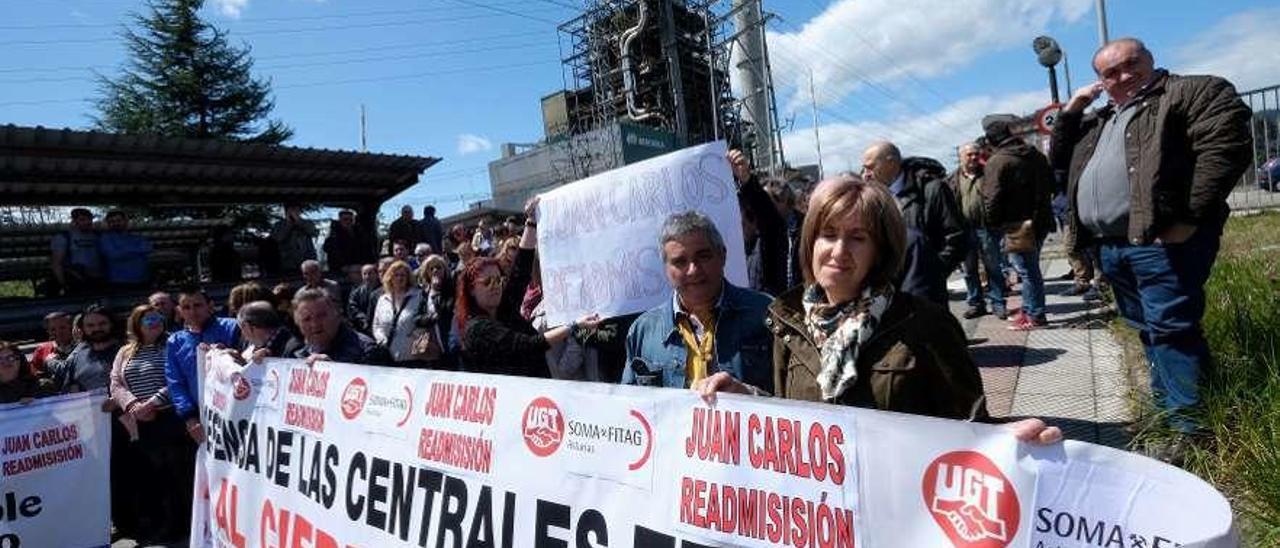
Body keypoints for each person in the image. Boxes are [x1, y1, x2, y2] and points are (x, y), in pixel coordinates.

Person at [695, 176, 1063, 444]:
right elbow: (791, 416)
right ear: (810, 243)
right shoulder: (786, 320)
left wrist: (1007, 439)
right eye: (828, 234)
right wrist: (746, 397)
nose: (839, 251)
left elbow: (970, 428)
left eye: (857, 238)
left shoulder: (926, 325)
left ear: (880, 250)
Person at [1051, 38, 1252, 454]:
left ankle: (1192, 431)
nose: (1123, 76)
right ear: (1099, 82)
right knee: (1148, 330)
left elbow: (1225, 148)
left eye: (1131, 65)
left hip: (1161, 241)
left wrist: (1188, 220)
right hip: (1112, 246)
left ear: (1150, 59)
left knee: (1171, 329)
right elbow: (1057, 160)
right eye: (1110, 73)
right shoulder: (1102, 118)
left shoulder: (1191, 91)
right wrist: (1073, 107)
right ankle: (1171, 413)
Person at [622, 211, 774, 392]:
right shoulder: (643, 331)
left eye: (703, 256)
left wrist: (747, 394)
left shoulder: (767, 316)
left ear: (722, 255)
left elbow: (798, 401)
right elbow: (629, 409)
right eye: (680, 262)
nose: (693, 270)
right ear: (665, 269)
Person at [456, 198, 599, 376]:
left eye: (499, 280)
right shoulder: (477, 329)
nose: (496, 286)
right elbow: (527, 345)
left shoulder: (503, 308)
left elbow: (520, 270)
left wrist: (531, 221)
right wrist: (574, 326)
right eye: (487, 282)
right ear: (471, 289)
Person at [109, 304, 193, 544]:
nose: (155, 322)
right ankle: (165, 523)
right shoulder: (125, 352)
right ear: (137, 325)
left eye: (157, 318)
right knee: (157, 476)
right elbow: (115, 383)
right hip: (143, 423)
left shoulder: (173, 343)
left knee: (179, 474)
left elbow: (180, 377)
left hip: (171, 418)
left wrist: (153, 403)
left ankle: (184, 524)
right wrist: (133, 405)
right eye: (148, 320)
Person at [861, 142, 967, 305]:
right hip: (887, 294)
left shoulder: (932, 190)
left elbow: (956, 238)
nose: (866, 174)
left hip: (926, 294)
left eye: (870, 167)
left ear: (891, 162)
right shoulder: (874, 197)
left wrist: (932, 272)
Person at [981, 115, 1056, 330]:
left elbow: (991, 197)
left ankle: (1035, 315)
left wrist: (993, 223)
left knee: (1027, 270)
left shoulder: (999, 160)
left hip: (1016, 225)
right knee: (1030, 268)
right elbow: (1052, 184)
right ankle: (1030, 309)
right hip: (1041, 220)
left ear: (991, 140)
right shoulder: (1035, 155)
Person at [166, 287, 240, 444]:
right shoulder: (175, 341)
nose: (192, 311)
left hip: (236, 411)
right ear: (179, 311)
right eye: (186, 307)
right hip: (199, 418)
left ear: (210, 306)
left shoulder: (233, 327)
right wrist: (189, 417)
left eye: (198, 305)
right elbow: (175, 382)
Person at [730, 149, 802, 296]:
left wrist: (747, 180)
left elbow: (767, 217)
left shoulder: (771, 239)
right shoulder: (738, 249)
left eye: (749, 214)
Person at [949, 142, 1008, 320]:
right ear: (960, 157)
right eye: (969, 155)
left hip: (987, 228)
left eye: (976, 154)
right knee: (969, 270)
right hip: (964, 230)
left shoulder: (988, 174)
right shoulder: (952, 179)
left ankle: (998, 303)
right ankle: (976, 304)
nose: (973, 157)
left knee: (993, 267)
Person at [290, 288, 383, 364]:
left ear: (337, 314)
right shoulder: (295, 354)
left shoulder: (365, 350)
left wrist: (334, 370)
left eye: (321, 316)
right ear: (298, 323)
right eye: (307, 319)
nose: (315, 324)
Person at [371, 261, 432, 367]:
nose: (400, 278)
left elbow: (427, 322)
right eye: (396, 275)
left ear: (408, 278)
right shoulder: (383, 299)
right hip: (387, 356)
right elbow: (376, 325)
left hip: (413, 358)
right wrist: (381, 339)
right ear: (390, 277)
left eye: (403, 275)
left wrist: (419, 347)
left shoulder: (419, 296)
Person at [54, 305, 121, 392]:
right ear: (83, 329)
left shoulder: (128, 354)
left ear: (112, 324)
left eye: (102, 324)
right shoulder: (77, 358)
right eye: (90, 326)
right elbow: (68, 392)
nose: (97, 329)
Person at [50, 207, 103, 295]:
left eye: (89, 219)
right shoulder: (63, 237)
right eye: (82, 219)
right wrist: (63, 284)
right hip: (76, 282)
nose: (87, 222)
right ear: (74, 221)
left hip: (98, 281)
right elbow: (56, 263)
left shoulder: (97, 236)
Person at [99, 210, 153, 288]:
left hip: (142, 280)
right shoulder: (104, 238)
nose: (116, 223)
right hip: (118, 282)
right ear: (108, 224)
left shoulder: (138, 238)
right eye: (112, 221)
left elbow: (148, 248)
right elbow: (113, 255)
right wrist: (138, 252)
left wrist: (123, 251)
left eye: (118, 220)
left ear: (126, 221)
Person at [322, 210, 374, 277]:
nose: (348, 222)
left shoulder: (359, 234)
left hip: (359, 267)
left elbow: (365, 250)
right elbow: (331, 251)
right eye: (345, 219)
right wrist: (343, 267)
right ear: (340, 220)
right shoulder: (334, 236)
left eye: (351, 220)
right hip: (339, 270)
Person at [270, 203, 318, 269]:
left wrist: (298, 221)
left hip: (307, 260)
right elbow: (278, 238)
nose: (294, 212)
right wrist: (289, 224)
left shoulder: (307, 223)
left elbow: (314, 233)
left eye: (297, 210)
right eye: (292, 210)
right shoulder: (279, 225)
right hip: (288, 261)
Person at [30, 311, 75, 377]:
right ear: (48, 331)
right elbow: (33, 373)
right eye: (53, 329)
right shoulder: (42, 350)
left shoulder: (81, 348)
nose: (58, 332)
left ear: (71, 327)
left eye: (62, 328)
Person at [347, 263, 381, 333]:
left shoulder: (383, 290)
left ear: (377, 274)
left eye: (370, 273)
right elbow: (353, 308)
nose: (367, 276)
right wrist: (363, 319)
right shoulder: (356, 293)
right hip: (362, 327)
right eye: (364, 274)